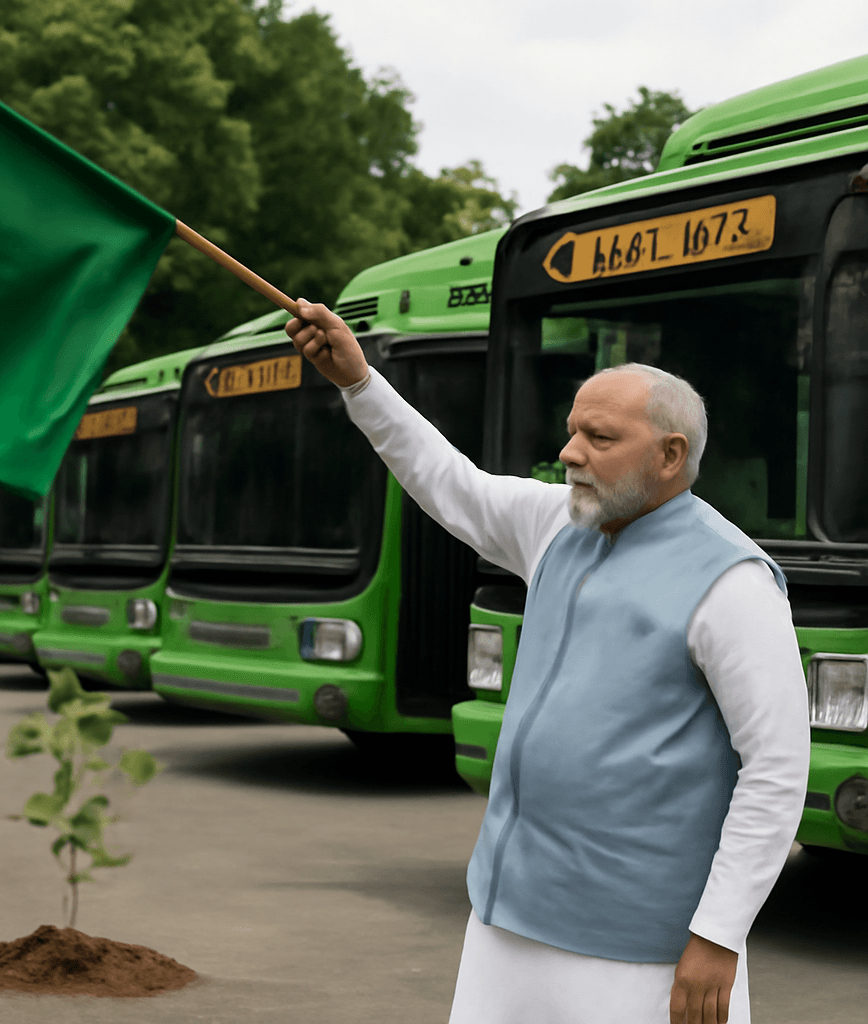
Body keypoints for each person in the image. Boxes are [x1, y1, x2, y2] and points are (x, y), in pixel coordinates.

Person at [285, 299, 810, 1024]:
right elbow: (448, 481)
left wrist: (719, 934)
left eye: (599, 437)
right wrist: (359, 383)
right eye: (572, 432)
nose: (570, 453)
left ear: (670, 455)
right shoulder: (559, 523)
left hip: (637, 950)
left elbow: (777, 769)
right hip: (506, 917)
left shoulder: (734, 582)